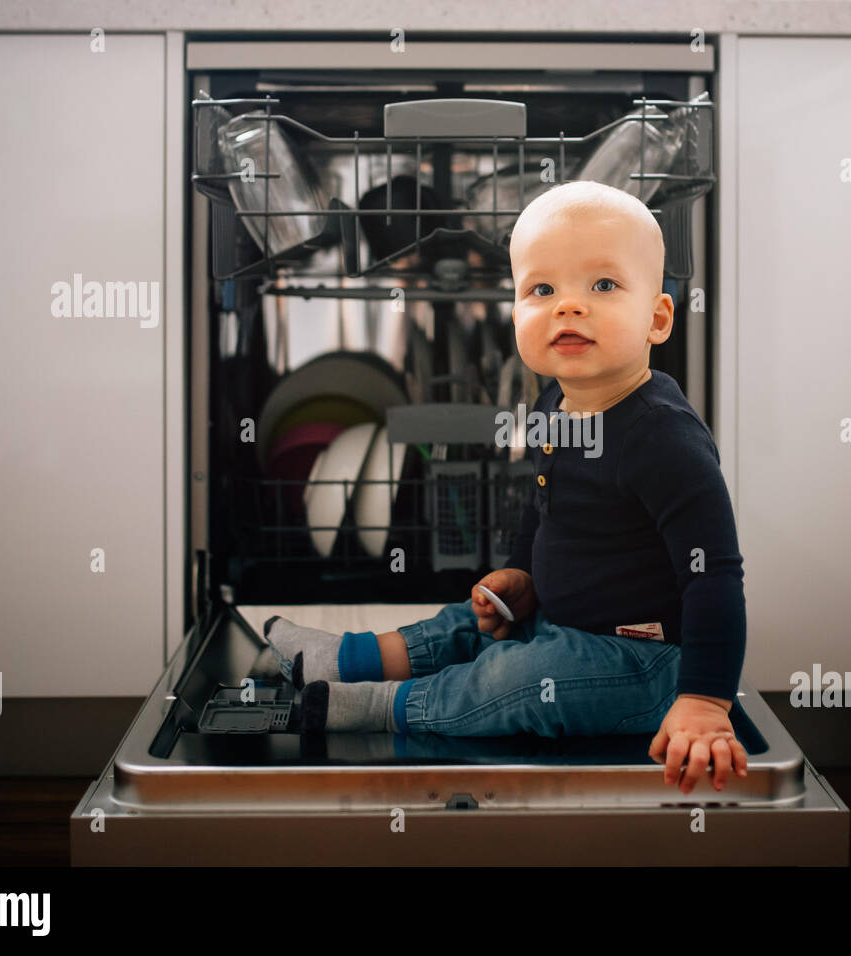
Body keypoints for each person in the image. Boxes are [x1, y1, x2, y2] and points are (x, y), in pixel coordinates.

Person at [264, 180, 749, 794]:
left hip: (643, 665)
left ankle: (382, 706)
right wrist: (522, 575)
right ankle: (348, 658)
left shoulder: (663, 438)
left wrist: (704, 703)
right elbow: (542, 510)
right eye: (541, 289)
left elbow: (714, 578)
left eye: (602, 285)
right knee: (463, 625)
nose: (567, 307)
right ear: (516, 311)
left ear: (657, 318)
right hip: (554, 619)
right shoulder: (554, 401)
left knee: (512, 680)